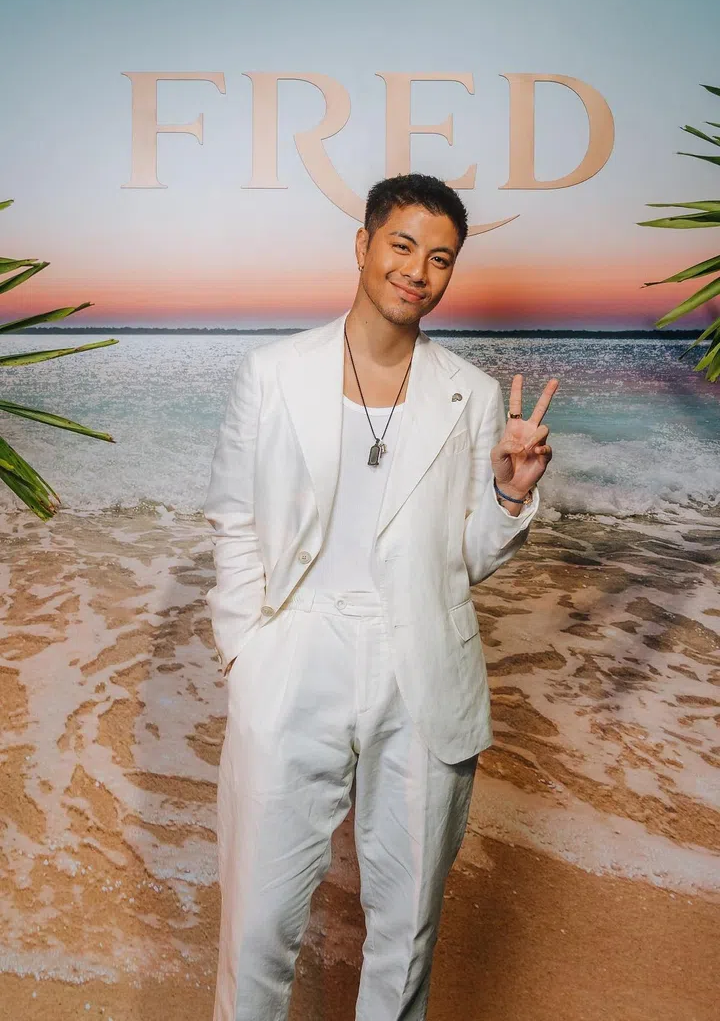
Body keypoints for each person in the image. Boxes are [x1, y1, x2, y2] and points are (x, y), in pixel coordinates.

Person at [203, 172, 557, 1021]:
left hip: (422, 665)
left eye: (441, 258)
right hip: (297, 652)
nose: (418, 271)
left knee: (405, 937)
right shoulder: (273, 373)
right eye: (402, 246)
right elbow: (233, 518)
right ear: (362, 245)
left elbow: (461, 560)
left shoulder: (472, 395)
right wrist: (248, 652)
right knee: (256, 930)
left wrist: (509, 496)